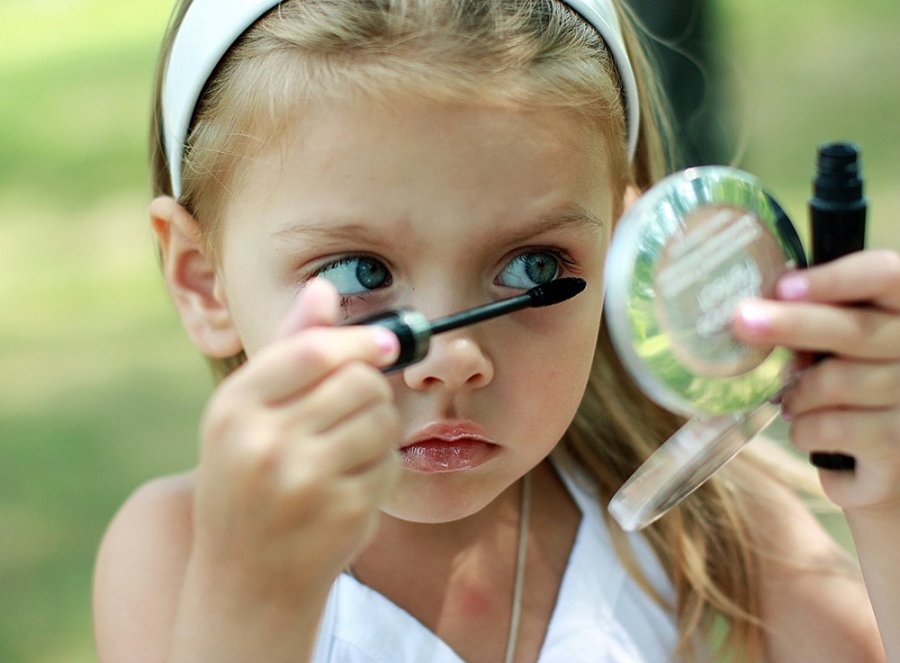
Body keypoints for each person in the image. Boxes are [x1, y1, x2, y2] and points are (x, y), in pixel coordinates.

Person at [92, 0, 899, 661]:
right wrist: (255, 596)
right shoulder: (179, 551)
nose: (452, 360)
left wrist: (889, 498)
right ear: (204, 280)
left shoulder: (707, 515)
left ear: (625, 255)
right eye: (357, 273)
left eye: (535, 269)